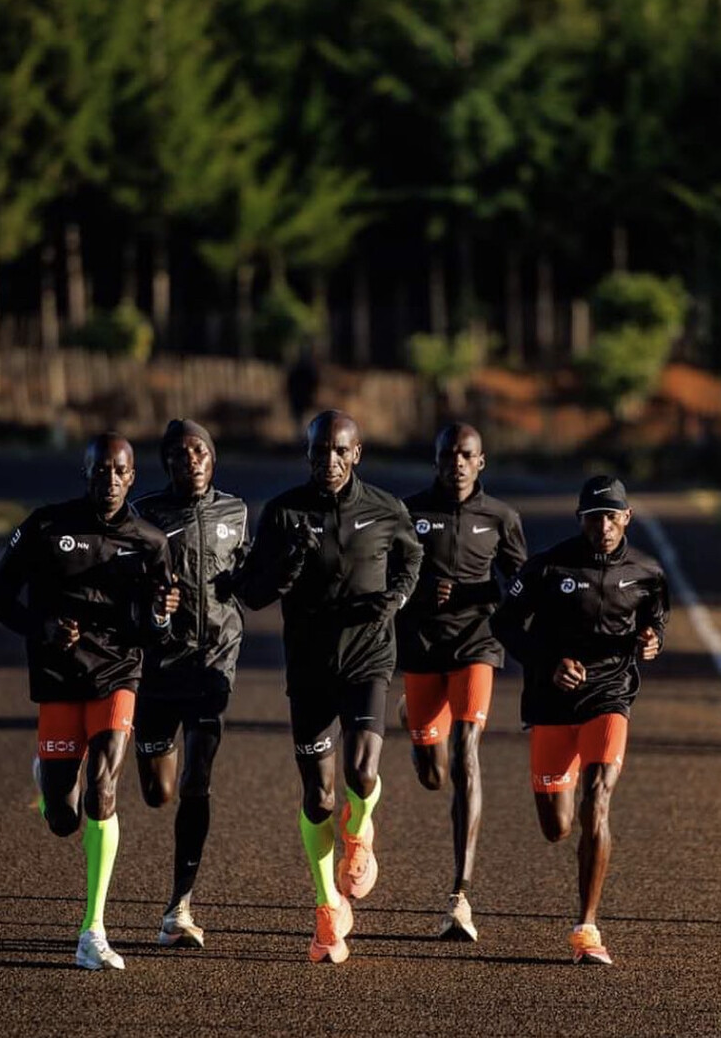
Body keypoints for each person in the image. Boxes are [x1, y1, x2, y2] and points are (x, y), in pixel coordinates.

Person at [0, 432, 180, 971]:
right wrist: (42, 628)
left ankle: (93, 930)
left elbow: (158, 630)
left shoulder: (150, 542)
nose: (109, 480)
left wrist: (161, 614)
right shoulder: (45, 527)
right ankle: (47, 779)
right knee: (64, 818)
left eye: (119, 471)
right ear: (86, 473)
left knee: (103, 786)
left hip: (118, 673)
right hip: (58, 677)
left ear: (132, 476)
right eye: (100, 470)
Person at [235, 409, 422, 964]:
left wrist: (395, 599)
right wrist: (287, 564)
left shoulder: (386, 508)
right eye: (321, 452)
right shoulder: (283, 513)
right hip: (310, 667)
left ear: (356, 454)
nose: (330, 461)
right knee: (317, 796)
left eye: (341, 451)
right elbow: (253, 593)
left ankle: (359, 835)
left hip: (368, 657)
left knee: (361, 772)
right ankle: (327, 906)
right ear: (308, 454)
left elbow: (412, 558)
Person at [490, 474, 668, 967]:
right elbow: (504, 622)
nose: (603, 526)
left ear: (626, 518)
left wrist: (652, 640)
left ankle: (587, 927)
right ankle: (564, 797)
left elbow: (655, 620)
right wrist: (548, 662)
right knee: (557, 826)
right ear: (580, 519)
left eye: (611, 516)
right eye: (593, 517)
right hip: (551, 701)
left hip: (610, 696)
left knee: (599, 800)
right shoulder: (548, 567)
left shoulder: (648, 572)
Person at [398, 423, 526, 941]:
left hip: (477, 645)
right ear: (436, 460)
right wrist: (421, 589)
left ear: (480, 461)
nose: (457, 463)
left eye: (466, 455)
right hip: (422, 647)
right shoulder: (408, 512)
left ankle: (460, 895)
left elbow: (521, 584)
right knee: (433, 774)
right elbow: (387, 573)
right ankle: (414, 720)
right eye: (448, 454)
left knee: (467, 749)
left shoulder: (501, 518)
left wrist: (477, 595)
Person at [131, 418, 249, 948]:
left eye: (199, 451)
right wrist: (154, 607)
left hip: (213, 664)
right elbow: (122, 589)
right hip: (158, 670)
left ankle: (179, 906)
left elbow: (251, 577)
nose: (191, 461)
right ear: (167, 464)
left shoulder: (236, 512)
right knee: (158, 792)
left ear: (212, 458)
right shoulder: (144, 515)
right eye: (179, 454)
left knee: (197, 780)